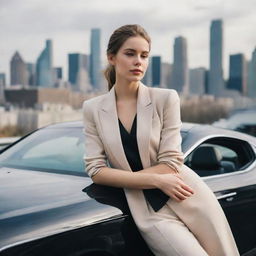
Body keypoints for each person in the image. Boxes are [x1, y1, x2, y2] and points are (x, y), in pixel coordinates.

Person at [82, 24, 240, 256]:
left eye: (144, 56)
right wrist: (157, 181)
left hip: (188, 195)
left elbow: (172, 161)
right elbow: (95, 170)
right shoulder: (93, 108)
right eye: (130, 54)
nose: (138, 61)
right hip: (146, 208)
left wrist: (129, 178)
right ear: (111, 57)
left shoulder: (165, 98)